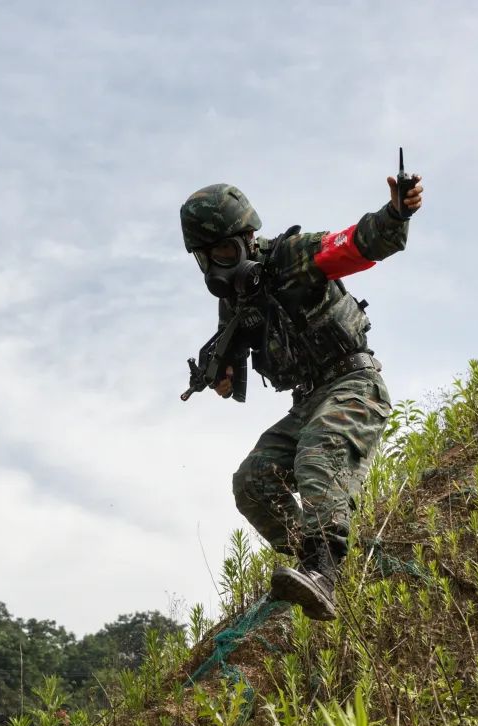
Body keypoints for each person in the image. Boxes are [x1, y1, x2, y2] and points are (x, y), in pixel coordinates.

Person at [178, 171, 424, 620]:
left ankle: (323, 568)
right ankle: (316, 559)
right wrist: (222, 376)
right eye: (209, 258)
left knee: (318, 454)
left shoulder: (293, 257)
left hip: (353, 383)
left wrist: (395, 213)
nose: (220, 267)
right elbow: (230, 346)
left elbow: (356, 245)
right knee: (252, 482)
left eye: (226, 252)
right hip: (306, 401)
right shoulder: (234, 301)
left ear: (249, 239)